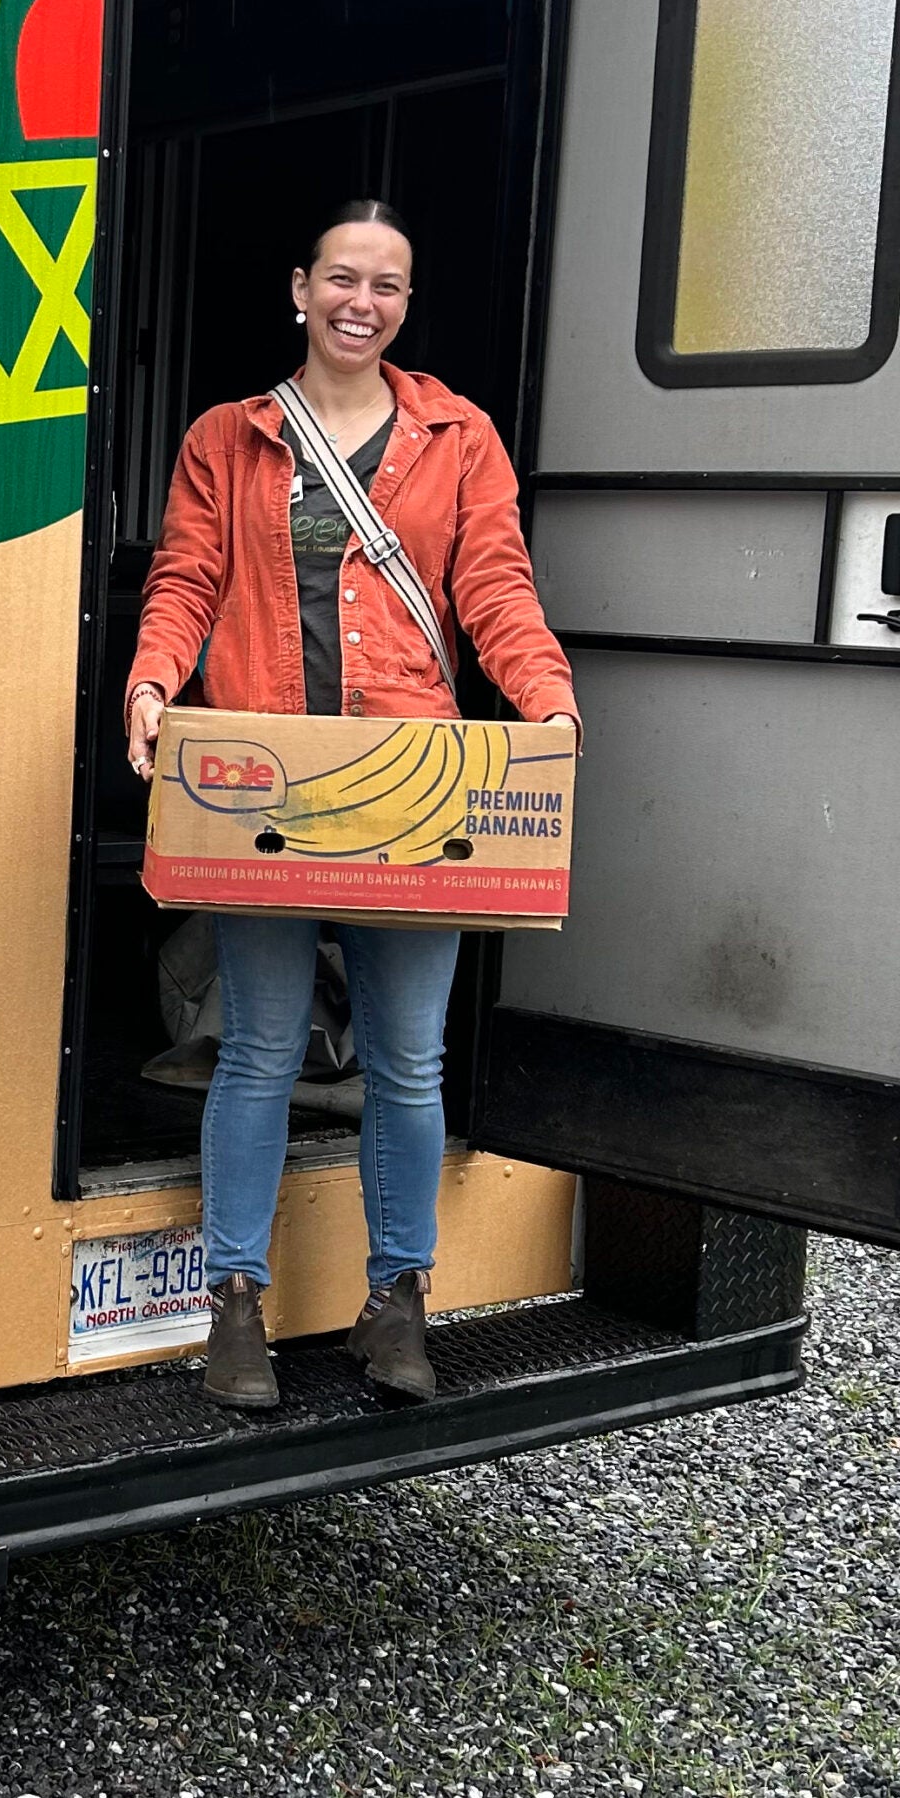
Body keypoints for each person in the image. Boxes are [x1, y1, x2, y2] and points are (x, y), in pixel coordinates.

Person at [123, 200, 578, 1409]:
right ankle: (233, 1308)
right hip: (267, 781)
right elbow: (188, 577)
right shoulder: (232, 435)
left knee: (407, 1065)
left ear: (405, 305)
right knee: (259, 1052)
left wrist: (548, 703)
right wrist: (153, 679)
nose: (360, 301)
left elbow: (495, 586)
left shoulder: (457, 434)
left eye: (386, 284)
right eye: (340, 277)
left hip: (414, 790)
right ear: (299, 288)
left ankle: (397, 1306)